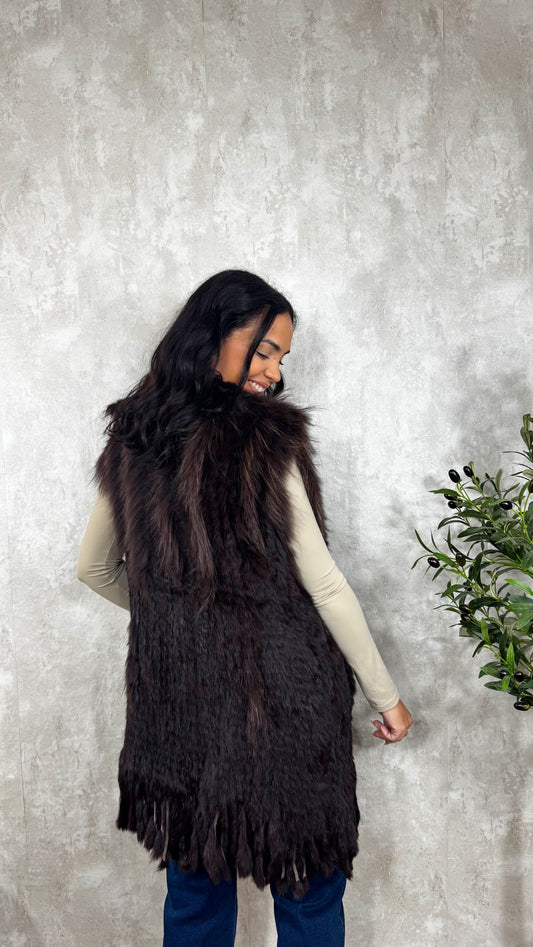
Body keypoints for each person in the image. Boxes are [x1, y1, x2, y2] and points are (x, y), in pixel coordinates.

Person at [77, 270, 412, 947]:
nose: (274, 372)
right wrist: (388, 698)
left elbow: (94, 569)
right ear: (213, 335)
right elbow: (323, 586)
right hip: (284, 704)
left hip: (181, 709)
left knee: (196, 888)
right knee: (307, 883)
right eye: (264, 350)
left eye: (281, 357)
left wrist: (180, 621)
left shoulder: (133, 440)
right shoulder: (264, 440)